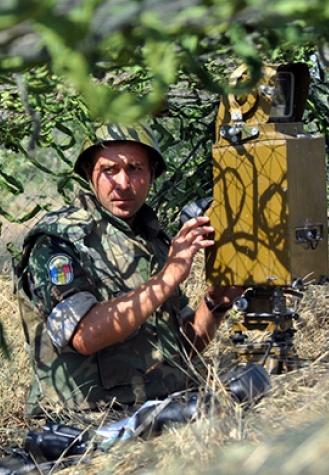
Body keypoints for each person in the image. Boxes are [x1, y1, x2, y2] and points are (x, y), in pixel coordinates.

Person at [14, 122, 240, 415]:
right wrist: (169, 275)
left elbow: (180, 347)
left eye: (135, 169)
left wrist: (216, 303)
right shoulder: (58, 240)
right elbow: (84, 335)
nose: (123, 182)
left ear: (151, 175)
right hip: (87, 423)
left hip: (164, 409)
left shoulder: (149, 238)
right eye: (110, 170)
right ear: (88, 174)